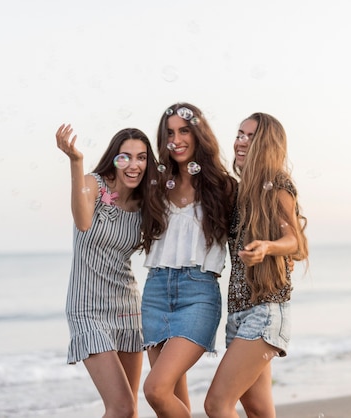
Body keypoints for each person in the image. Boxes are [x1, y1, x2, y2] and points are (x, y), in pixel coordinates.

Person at [203, 113, 309, 418]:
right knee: (259, 411)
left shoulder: (276, 185)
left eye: (250, 136)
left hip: (265, 311)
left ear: (267, 144)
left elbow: (296, 243)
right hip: (239, 312)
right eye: (239, 134)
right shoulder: (240, 192)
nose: (241, 141)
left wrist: (267, 247)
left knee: (217, 405)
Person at [55, 124, 165, 418]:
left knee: (130, 411)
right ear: (113, 159)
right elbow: (82, 221)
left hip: (127, 307)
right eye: (125, 157)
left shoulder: (147, 204)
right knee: (121, 406)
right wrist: (76, 162)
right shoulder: (93, 184)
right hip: (87, 309)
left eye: (141, 158)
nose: (134, 165)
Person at [141, 103, 237, 417]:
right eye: (169, 132)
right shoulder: (154, 185)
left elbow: (253, 228)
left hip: (198, 294)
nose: (177, 138)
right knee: (168, 401)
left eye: (184, 130)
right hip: (155, 293)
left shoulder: (223, 187)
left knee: (155, 389)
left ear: (198, 133)